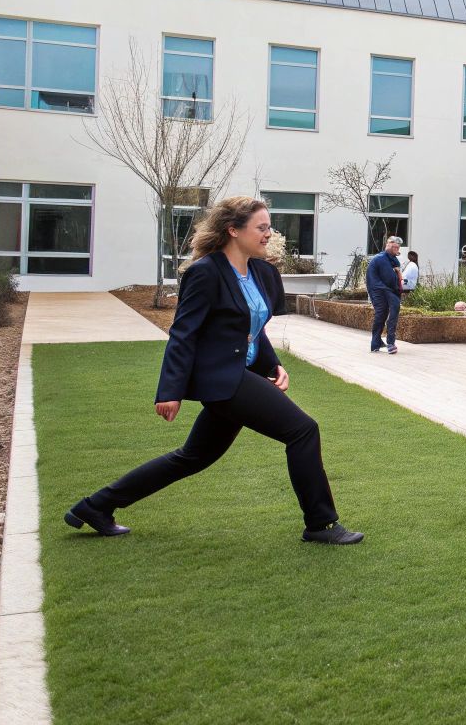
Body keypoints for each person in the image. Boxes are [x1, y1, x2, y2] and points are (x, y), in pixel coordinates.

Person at [63, 196, 362, 545]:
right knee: (303, 430)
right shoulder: (205, 273)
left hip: (238, 374)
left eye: (270, 227)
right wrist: (170, 390)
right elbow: (183, 333)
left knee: (193, 457)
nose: (269, 234)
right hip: (222, 379)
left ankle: (95, 507)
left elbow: (252, 328)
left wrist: (273, 364)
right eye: (261, 228)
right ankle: (320, 524)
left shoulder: (263, 273)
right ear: (233, 230)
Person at [367, 236, 403, 354]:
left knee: (381, 314)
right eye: (393, 246)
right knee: (393, 307)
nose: (396, 249)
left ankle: (376, 342)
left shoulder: (390, 259)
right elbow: (390, 278)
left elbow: (395, 274)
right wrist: (399, 288)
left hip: (381, 288)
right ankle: (390, 342)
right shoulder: (382, 258)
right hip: (380, 289)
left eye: (397, 247)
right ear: (388, 246)